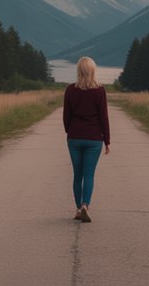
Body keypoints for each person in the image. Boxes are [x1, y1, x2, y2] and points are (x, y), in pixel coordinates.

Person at [63, 56, 111, 223]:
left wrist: (70, 131)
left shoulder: (70, 90)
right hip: (94, 138)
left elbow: (66, 116)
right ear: (93, 71)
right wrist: (107, 140)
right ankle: (85, 205)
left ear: (78, 71)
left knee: (77, 175)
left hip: (75, 138)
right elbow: (103, 117)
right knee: (89, 175)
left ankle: (78, 209)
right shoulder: (100, 91)